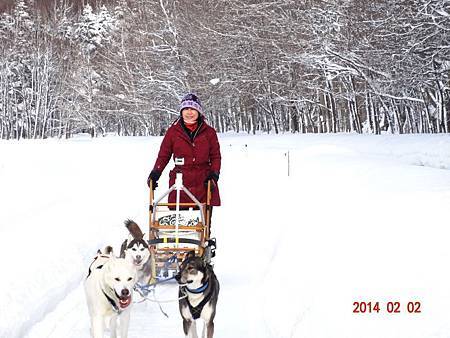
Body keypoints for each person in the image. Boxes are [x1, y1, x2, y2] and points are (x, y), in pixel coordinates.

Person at [147, 93, 221, 217]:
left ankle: (205, 237)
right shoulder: (173, 132)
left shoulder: (209, 132)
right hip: (180, 183)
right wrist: (155, 173)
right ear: (181, 111)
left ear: (199, 111)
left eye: (192, 108)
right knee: (180, 226)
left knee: (202, 227)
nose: (189, 112)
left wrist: (214, 174)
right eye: (186, 109)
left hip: (204, 183)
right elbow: (163, 155)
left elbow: (215, 156)